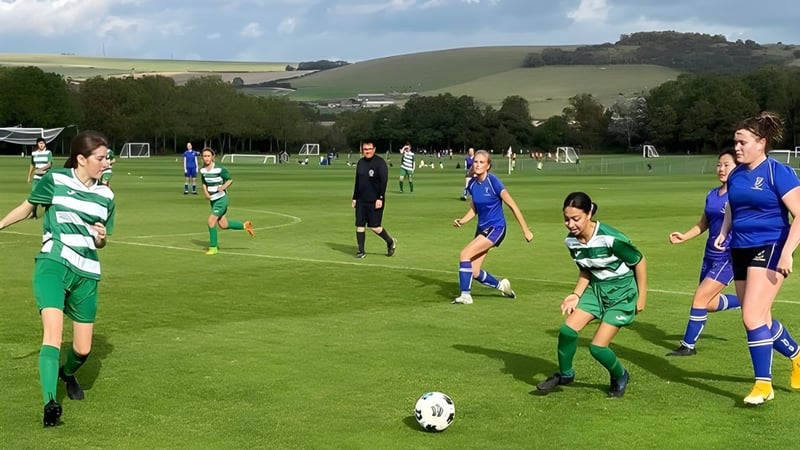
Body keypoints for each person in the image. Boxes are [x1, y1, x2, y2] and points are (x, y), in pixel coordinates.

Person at [0, 131, 115, 427]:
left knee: (82, 350)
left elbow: (101, 241)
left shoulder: (107, 196)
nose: (106, 163)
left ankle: (67, 373)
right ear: (81, 159)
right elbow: (28, 207)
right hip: (53, 263)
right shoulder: (56, 180)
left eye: (107, 157)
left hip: (87, 273)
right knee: (52, 334)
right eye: (101, 158)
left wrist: (101, 238)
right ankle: (50, 403)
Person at [714, 112, 800, 405]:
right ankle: (797, 357)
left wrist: (787, 252)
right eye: (735, 142)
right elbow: (732, 206)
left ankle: (764, 385)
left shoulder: (778, 172)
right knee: (759, 318)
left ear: (761, 143)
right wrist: (724, 231)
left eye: (743, 142)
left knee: (751, 316)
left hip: (771, 246)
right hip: (740, 248)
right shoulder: (737, 174)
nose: (736, 148)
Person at [537, 192, 647, 398]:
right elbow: (586, 269)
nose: (570, 224)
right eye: (566, 219)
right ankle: (566, 374)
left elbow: (639, 261)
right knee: (567, 331)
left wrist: (642, 296)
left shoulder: (610, 238)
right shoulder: (571, 242)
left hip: (622, 294)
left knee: (597, 348)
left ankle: (620, 374)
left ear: (589, 214)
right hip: (596, 290)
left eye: (576, 218)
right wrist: (576, 295)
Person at [666, 149, 741, 356]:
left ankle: (687, 346)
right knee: (708, 303)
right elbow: (703, 223)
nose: (721, 169)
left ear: (738, 168)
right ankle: (744, 301)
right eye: (719, 164)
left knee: (699, 299)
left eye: (727, 165)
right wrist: (684, 236)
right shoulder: (712, 195)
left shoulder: (740, 196)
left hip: (728, 257)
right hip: (710, 255)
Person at [452, 150, 533, 304]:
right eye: (476, 162)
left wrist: (525, 230)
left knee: (464, 254)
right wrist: (462, 221)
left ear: (488, 166)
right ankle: (502, 286)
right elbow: (474, 208)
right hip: (482, 229)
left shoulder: (493, 182)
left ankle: (465, 296)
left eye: (481, 162)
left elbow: (513, 206)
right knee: (474, 271)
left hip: (496, 228)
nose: (477, 165)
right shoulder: (472, 184)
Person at [199, 147, 255, 255]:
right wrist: (206, 193)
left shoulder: (219, 169)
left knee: (211, 221)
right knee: (223, 224)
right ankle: (245, 225)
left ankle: (213, 247)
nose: (206, 158)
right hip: (213, 200)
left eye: (208, 156)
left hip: (221, 199)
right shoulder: (202, 170)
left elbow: (230, 180)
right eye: (204, 156)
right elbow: (204, 183)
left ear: (213, 157)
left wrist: (223, 187)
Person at [352, 141, 396, 258]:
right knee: (360, 225)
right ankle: (361, 251)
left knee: (375, 227)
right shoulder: (360, 163)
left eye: (369, 149)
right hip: (361, 200)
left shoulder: (380, 163)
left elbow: (383, 181)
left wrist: (380, 197)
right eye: (365, 149)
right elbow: (357, 181)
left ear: (374, 149)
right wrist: (354, 197)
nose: (367, 151)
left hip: (375, 200)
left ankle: (390, 241)